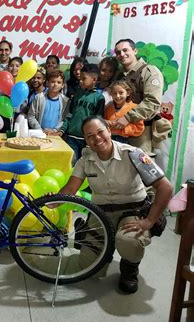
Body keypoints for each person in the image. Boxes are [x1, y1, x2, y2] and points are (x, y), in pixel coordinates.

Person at [60, 116, 173, 294]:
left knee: (128, 242)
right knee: (88, 267)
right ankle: (99, 241)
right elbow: (70, 190)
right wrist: (52, 200)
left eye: (100, 132)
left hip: (132, 210)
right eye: (90, 136)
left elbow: (166, 187)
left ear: (109, 131)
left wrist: (150, 221)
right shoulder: (85, 159)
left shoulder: (133, 154)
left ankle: (129, 269)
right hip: (101, 214)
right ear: (86, 140)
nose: (96, 138)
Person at [113, 38, 164, 154]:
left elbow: (152, 102)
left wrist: (127, 117)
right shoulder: (119, 75)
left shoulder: (149, 72)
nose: (122, 54)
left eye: (125, 50)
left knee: (139, 165)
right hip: (118, 129)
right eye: (118, 52)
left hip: (140, 131)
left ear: (135, 51)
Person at [58, 64, 105, 164]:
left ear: (94, 79)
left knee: (86, 166)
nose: (80, 81)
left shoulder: (99, 98)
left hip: (87, 141)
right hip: (72, 138)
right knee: (70, 163)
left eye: (84, 79)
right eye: (80, 78)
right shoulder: (77, 94)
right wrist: (62, 130)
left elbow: (98, 120)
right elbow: (69, 114)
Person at [28, 70, 69, 134]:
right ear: (47, 83)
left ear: (62, 85)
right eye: (52, 82)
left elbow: (64, 119)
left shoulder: (65, 101)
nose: (55, 84)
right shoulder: (39, 98)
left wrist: (55, 130)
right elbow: (31, 116)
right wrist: (40, 130)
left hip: (55, 134)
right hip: (39, 133)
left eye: (59, 82)